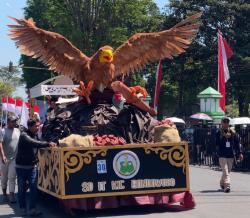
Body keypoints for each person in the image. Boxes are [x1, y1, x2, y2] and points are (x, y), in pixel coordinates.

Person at [15, 118, 57, 216]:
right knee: (22, 189)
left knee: (34, 189)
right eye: (36, 126)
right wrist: (48, 143)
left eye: (38, 126)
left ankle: (32, 209)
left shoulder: (35, 135)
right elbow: (36, 144)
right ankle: (22, 208)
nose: (38, 128)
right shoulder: (24, 136)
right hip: (21, 167)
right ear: (29, 127)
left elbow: (40, 143)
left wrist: (52, 143)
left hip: (32, 167)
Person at [215, 117, 243, 193]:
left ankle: (222, 183)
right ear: (221, 123)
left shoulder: (233, 132)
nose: (226, 123)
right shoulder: (219, 132)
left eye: (227, 122)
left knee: (227, 171)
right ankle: (227, 186)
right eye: (224, 122)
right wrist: (223, 137)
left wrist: (240, 153)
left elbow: (237, 144)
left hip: (230, 155)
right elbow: (216, 143)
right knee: (225, 171)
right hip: (222, 155)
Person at [0, 115, 20, 203]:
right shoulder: (3, 131)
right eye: (12, 121)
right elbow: (0, 144)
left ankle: (12, 195)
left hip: (14, 158)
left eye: (15, 121)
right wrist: (3, 156)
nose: (14, 123)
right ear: (8, 122)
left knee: (12, 176)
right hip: (4, 158)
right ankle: (4, 193)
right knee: (4, 177)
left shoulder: (18, 131)